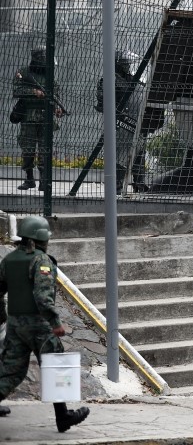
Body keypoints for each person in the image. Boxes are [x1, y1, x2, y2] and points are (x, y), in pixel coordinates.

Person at [0, 216, 90, 432]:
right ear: (41, 238)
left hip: (15, 325)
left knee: (12, 370)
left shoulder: (9, 260)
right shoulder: (41, 261)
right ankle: (63, 416)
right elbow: (43, 296)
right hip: (40, 326)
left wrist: (4, 315)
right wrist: (55, 321)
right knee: (55, 367)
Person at [96, 50, 150, 193]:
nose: (128, 67)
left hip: (135, 121)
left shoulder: (135, 81)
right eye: (125, 64)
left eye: (129, 64)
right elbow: (103, 101)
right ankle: (117, 184)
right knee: (119, 154)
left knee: (139, 152)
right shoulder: (109, 80)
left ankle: (139, 183)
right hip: (119, 123)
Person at [12, 46, 64, 191]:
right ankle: (29, 179)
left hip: (45, 117)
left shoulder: (50, 75)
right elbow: (16, 90)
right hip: (28, 115)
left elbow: (56, 94)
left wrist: (57, 109)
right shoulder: (23, 72)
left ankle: (43, 180)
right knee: (28, 150)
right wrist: (33, 91)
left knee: (45, 150)